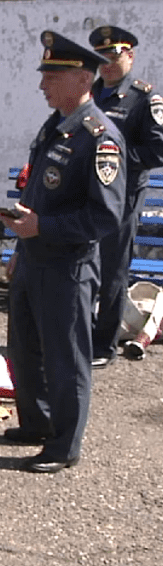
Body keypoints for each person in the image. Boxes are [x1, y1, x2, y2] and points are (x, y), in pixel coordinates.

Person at [0, 31, 125, 473]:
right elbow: (40, 191)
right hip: (33, 258)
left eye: (51, 76)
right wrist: (21, 238)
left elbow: (105, 217)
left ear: (82, 79)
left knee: (66, 359)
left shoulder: (100, 137)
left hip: (67, 267)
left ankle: (64, 446)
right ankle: (36, 423)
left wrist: (42, 227)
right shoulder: (56, 126)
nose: (42, 85)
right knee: (24, 349)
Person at [87, 25, 163, 368]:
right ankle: (82, 336)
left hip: (122, 198)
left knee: (113, 273)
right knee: (85, 267)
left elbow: (157, 150)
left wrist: (114, 158)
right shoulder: (91, 93)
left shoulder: (145, 98)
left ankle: (104, 346)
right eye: (101, 58)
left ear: (129, 56)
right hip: (88, 195)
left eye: (114, 57)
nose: (107, 64)